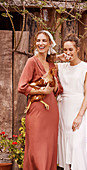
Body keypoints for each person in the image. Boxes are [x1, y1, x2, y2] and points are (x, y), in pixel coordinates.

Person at [18, 30, 63, 170]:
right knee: (37, 148)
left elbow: (59, 89)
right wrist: (42, 90)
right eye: (38, 41)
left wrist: (54, 84)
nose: (41, 43)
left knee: (49, 147)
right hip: (37, 110)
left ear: (50, 44)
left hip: (51, 110)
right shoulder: (32, 62)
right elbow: (22, 86)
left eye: (44, 41)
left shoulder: (51, 65)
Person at [56, 34, 87, 170]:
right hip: (63, 109)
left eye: (70, 49)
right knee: (66, 147)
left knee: (77, 146)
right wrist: (59, 57)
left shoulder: (86, 67)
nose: (67, 53)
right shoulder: (61, 67)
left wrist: (79, 116)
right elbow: (42, 59)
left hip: (78, 109)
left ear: (77, 49)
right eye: (65, 50)